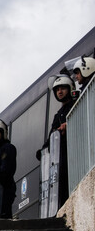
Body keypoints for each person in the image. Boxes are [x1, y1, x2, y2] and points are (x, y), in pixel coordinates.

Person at [37, 74, 77, 207]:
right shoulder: (58, 114)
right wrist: (43, 151)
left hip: (75, 154)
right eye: (57, 90)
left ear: (70, 88)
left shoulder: (77, 103)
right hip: (61, 158)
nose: (60, 92)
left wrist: (69, 124)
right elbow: (51, 135)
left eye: (62, 88)